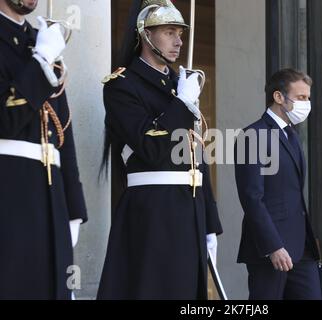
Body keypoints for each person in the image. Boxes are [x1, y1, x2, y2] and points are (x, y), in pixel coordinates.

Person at [97, 0, 222, 300]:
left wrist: (209, 222)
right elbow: (151, 147)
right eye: (169, 32)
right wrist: (183, 104)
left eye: (180, 33)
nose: (179, 41)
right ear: (146, 35)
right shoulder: (122, 86)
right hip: (152, 210)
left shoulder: (179, 85)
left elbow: (195, 156)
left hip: (189, 210)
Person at [0, 0, 88, 300]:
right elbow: (5, 120)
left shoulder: (38, 41)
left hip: (50, 198)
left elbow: (62, 134)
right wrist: (41, 62)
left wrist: (74, 208)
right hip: (9, 193)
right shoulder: (40, 50)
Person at [234, 69, 322, 300]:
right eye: (301, 97)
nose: (306, 104)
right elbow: (252, 197)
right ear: (279, 97)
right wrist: (273, 246)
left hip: (302, 249)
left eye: (308, 98)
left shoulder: (292, 135)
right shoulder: (252, 135)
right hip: (271, 250)